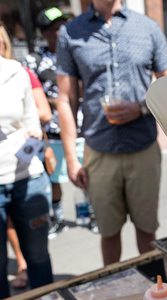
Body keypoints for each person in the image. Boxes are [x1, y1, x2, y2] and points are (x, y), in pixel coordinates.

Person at [56, 0, 167, 265]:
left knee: (147, 230)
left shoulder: (148, 28)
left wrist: (142, 108)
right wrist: (72, 158)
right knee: (108, 233)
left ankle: (153, 288)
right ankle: (113, 287)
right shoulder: (70, 33)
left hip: (143, 148)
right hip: (99, 151)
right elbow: (65, 99)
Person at [23, 7, 87, 239]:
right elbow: (30, 96)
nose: (60, 33)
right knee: (54, 176)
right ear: (44, 33)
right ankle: (58, 217)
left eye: (62, 27)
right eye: (53, 29)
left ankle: (90, 214)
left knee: (88, 173)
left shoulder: (76, 52)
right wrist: (58, 101)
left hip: (82, 128)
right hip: (52, 131)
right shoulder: (33, 60)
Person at [1, 22, 52, 292]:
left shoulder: (16, 73)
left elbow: (35, 120)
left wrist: (34, 136)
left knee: (38, 258)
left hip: (28, 178)